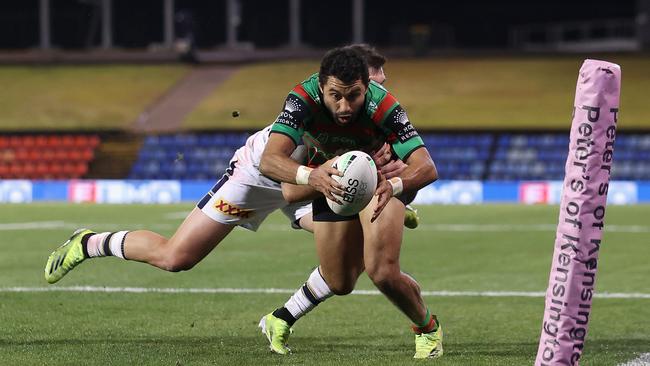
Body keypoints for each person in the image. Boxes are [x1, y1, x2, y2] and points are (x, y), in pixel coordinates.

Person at [42, 45, 414, 283]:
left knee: (346, 255)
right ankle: (90, 242)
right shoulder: (309, 106)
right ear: (334, 86)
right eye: (376, 83)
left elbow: (399, 166)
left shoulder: (371, 114)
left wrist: (379, 191)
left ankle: (282, 319)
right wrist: (347, 184)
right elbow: (279, 173)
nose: (380, 92)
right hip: (262, 178)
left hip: (312, 184)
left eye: (380, 85)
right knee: (176, 258)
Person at [257, 46, 442, 359]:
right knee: (340, 281)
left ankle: (428, 329)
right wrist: (311, 176)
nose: (344, 106)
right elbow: (269, 160)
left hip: (378, 183)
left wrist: (394, 186)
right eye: (335, 96)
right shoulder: (302, 100)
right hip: (330, 182)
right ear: (321, 86)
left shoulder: (383, 104)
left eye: (353, 96)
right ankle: (281, 317)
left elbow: (427, 167)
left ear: (366, 88)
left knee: (381, 271)